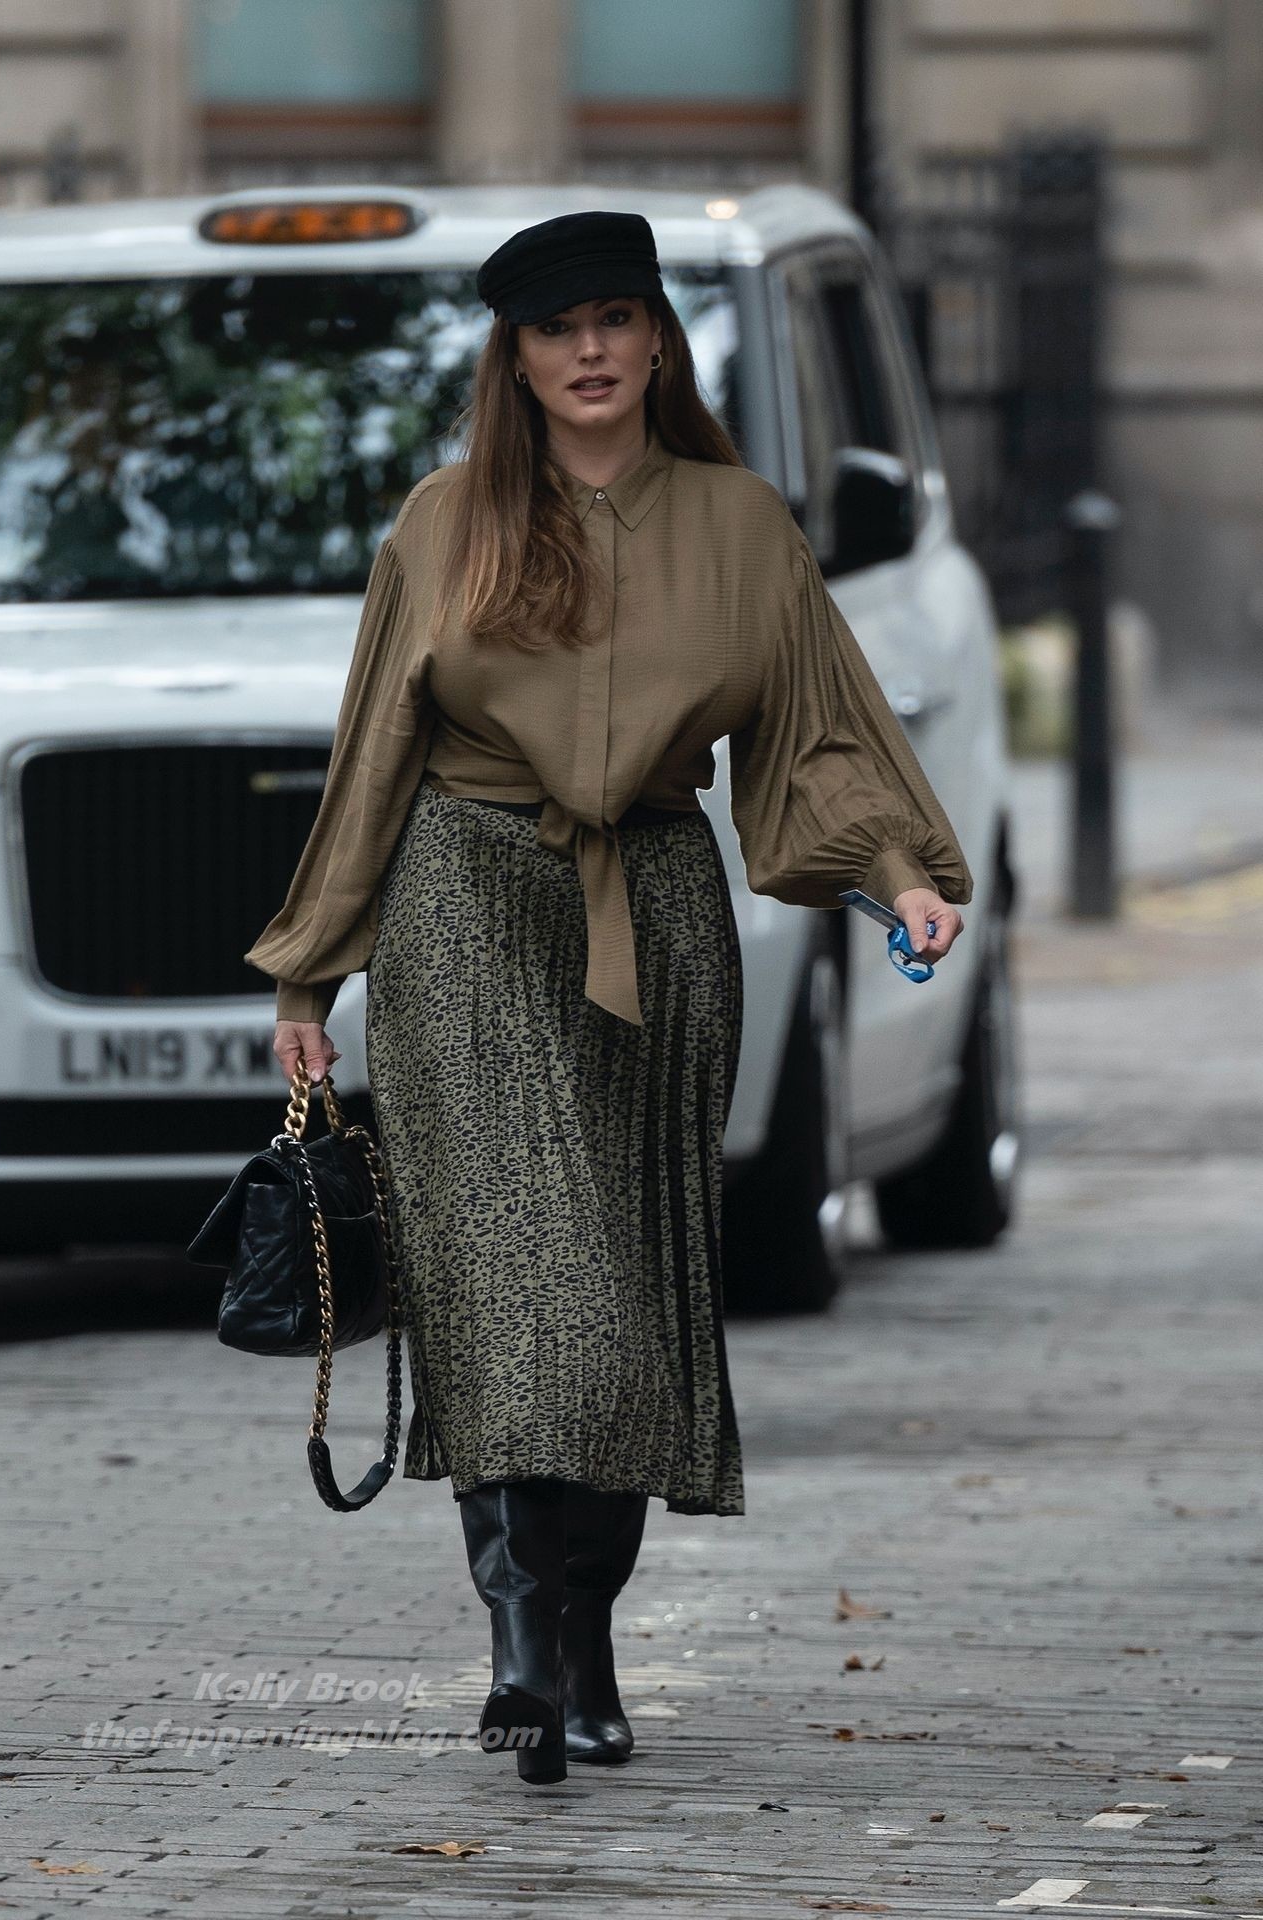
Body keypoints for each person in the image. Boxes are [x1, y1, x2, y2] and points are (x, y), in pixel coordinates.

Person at [243, 210, 972, 1787]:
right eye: (555, 327)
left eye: (616, 320)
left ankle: (586, 1641)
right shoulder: (445, 522)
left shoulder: (741, 523)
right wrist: (311, 966)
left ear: (656, 341)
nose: (589, 350)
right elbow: (374, 754)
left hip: (656, 908)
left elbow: (820, 729)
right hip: (462, 908)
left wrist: (902, 875)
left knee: (628, 1297)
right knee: (509, 1280)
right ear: (513, 358)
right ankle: (519, 1638)